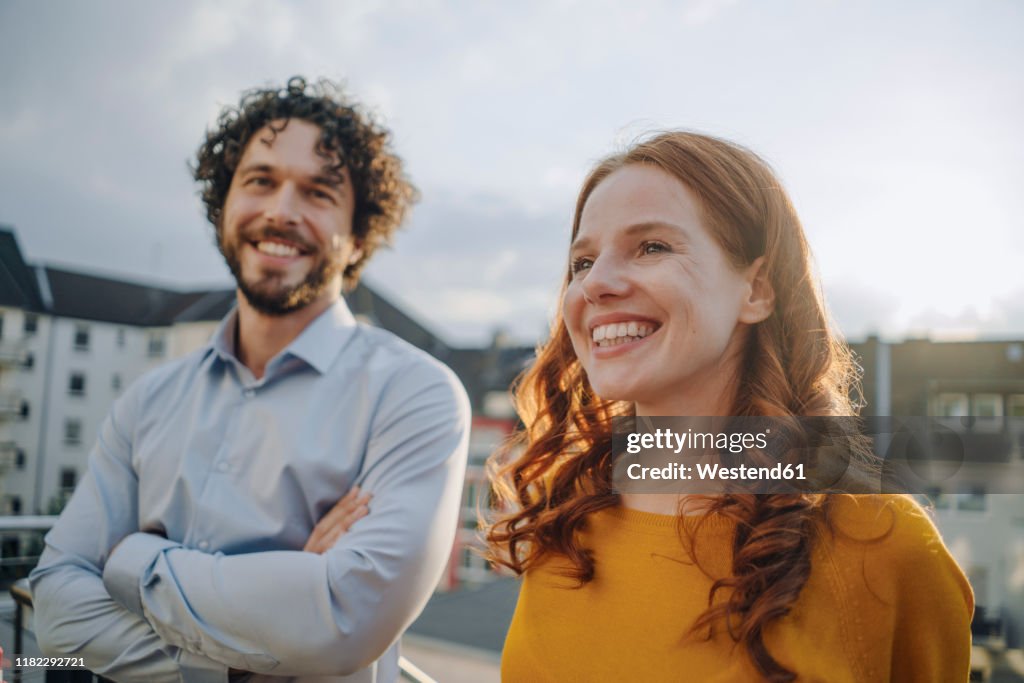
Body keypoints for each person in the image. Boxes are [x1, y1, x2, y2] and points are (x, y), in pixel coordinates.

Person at [486, 131, 974, 681]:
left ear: (757, 290)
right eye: (582, 262)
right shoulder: (564, 519)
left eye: (652, 247)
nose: (595, 284)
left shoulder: (884, 544)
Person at [30, 77, 470, 683]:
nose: (281, 211)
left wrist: (132, 563)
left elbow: (344, 621)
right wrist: (273, 641)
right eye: (260, 180)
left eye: (318, 192)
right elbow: (57, 608)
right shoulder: (148, 401)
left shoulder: (415, 393)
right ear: (224, 202)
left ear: (360, 233)